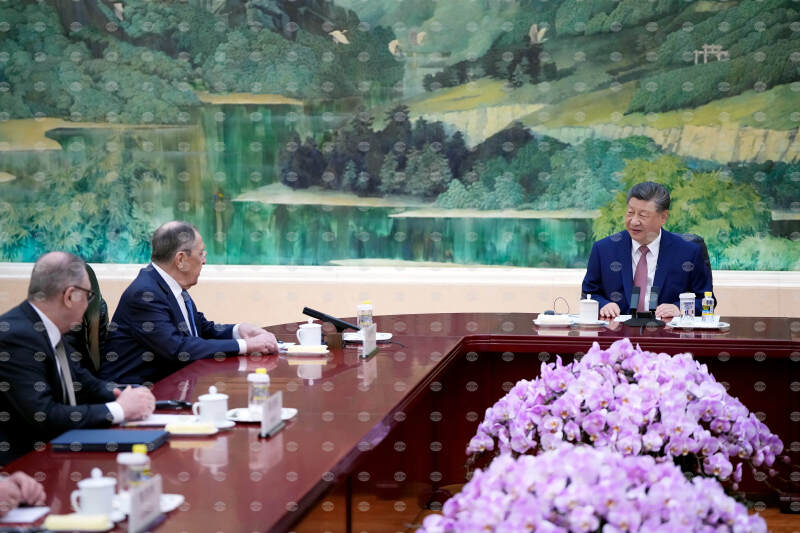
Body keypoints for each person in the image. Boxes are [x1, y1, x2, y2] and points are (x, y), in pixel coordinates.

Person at [0, 252, 155, 466]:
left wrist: (126, 393)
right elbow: (44, 415)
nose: (90, 303)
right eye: (88, 296)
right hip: (23, 469)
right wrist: (119, 409)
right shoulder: (17, 336)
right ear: (70, 296)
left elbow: (82, 381)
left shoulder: (46, 327)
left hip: (58, 455)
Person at [100, 221, 278, 385]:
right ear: (181, 260)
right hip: (130, 393)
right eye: (201, 253)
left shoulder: (169, 286)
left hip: (169, 386)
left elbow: (200, 329)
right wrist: (246, 346)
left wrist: (238, 330)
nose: (204, 260)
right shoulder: (145, 294)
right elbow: (177, 348)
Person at [581, 182, 713, 320]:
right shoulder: (603, 249)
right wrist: (604, 304)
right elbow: (588, 294)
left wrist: (679, 307)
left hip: (666, 331)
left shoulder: (689, 252)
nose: (634, 221)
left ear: (663, 217)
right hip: (619, 330)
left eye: (643, 215)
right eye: (630, 213)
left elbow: (706, 301)